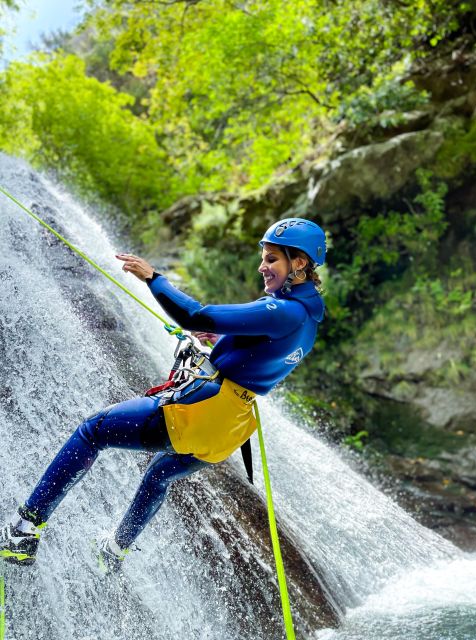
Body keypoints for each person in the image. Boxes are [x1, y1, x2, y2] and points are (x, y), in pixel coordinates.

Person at [0, 217, 326, 571]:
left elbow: (196, 314)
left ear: (300, 263)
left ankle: (23, 530)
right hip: (230, 426)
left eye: (272, 259)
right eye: (263, 257)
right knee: (159, 474)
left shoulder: (283, 311)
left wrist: (153, 278)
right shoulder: (309, 319)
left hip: (206, 407)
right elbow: (261, 355)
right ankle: (115, 550)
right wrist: (220, 343)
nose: (262, 267)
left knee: (92, 431)